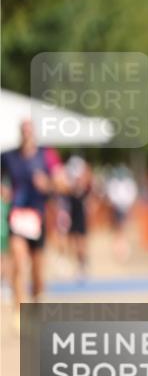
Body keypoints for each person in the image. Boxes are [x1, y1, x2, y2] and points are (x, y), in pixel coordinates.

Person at [1, 120, 66, 321]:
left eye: (30, 130)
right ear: (20, 133)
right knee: (19, 262)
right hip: (17, 216)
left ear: (35, 134)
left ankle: (37, 305)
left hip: (39, 217)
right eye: (23, 130)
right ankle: (19, 311)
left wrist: (47, 183)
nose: (26, 134)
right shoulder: (8, 157)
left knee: (38, 271)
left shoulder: (47, 155)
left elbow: (62, 184)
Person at [65, 156, 92, 279]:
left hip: (80, 216)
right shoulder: (69, 186)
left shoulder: (84, 187)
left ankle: (82, 264)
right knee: (73, 241)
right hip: (71, 215)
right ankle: (78, 264)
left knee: (81, 241)